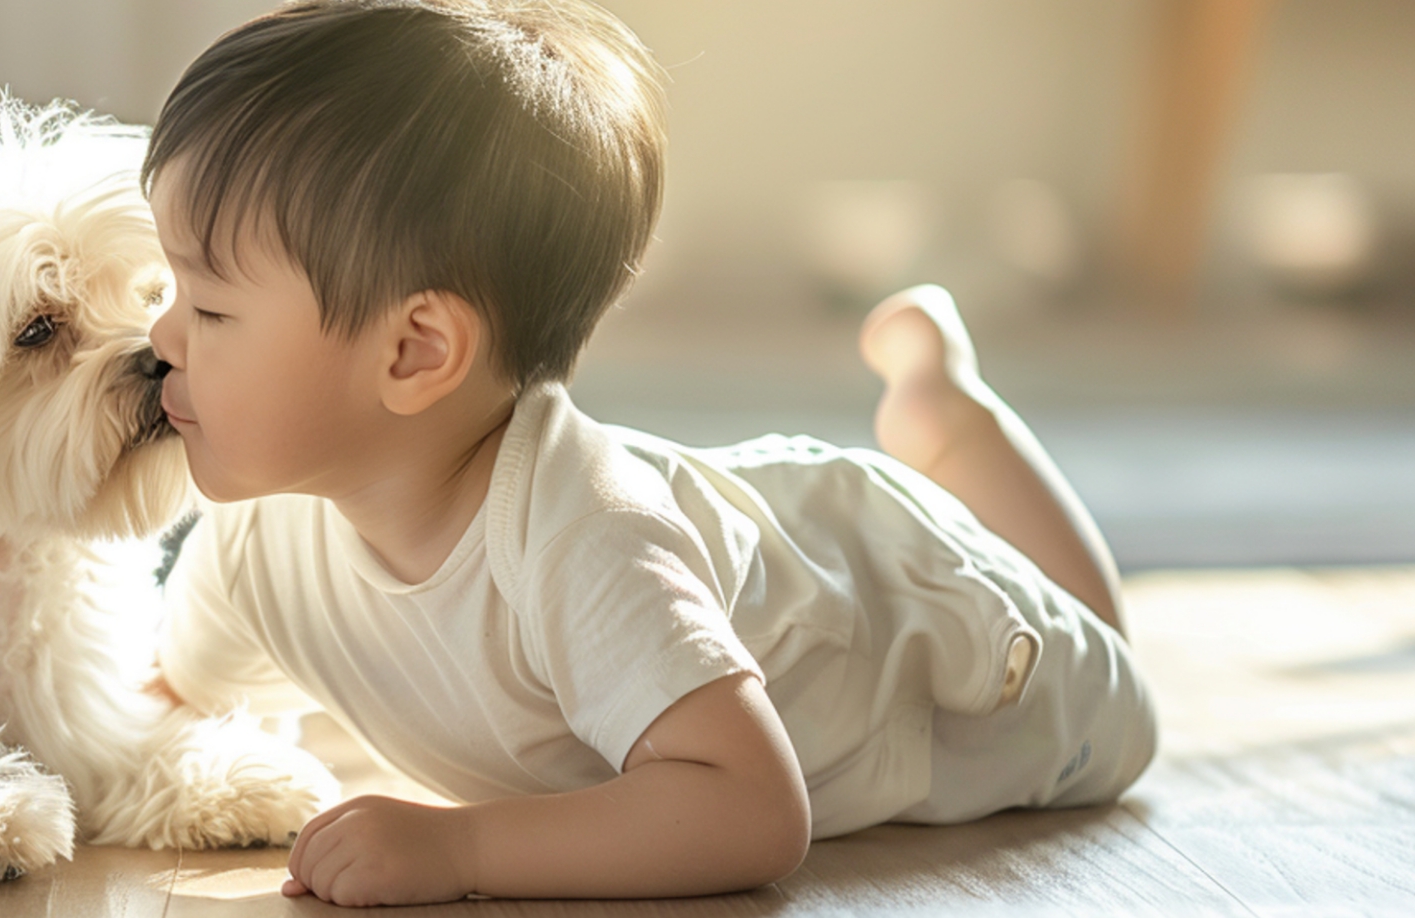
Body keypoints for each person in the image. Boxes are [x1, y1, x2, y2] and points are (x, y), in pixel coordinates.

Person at [139, 0, 1157, 907]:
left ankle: (957, 431)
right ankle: (940, 427)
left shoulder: (584, 543)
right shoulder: (259, 536)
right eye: (172, 291)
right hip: (782, 550)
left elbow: (751, 810)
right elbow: (171, 701)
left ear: (414, 352)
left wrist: (466, 847)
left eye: (212, 305)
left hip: (939, 644)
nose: (160, 339)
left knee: (1111, 673)